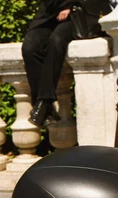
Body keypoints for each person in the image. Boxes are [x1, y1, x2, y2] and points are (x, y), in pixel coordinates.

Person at [22, 0, 79, 128]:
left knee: (56, 41)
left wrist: (70, 5)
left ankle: (44, 101)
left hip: (77, 14)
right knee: (30, 47)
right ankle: (45, 108)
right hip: (49, 13)